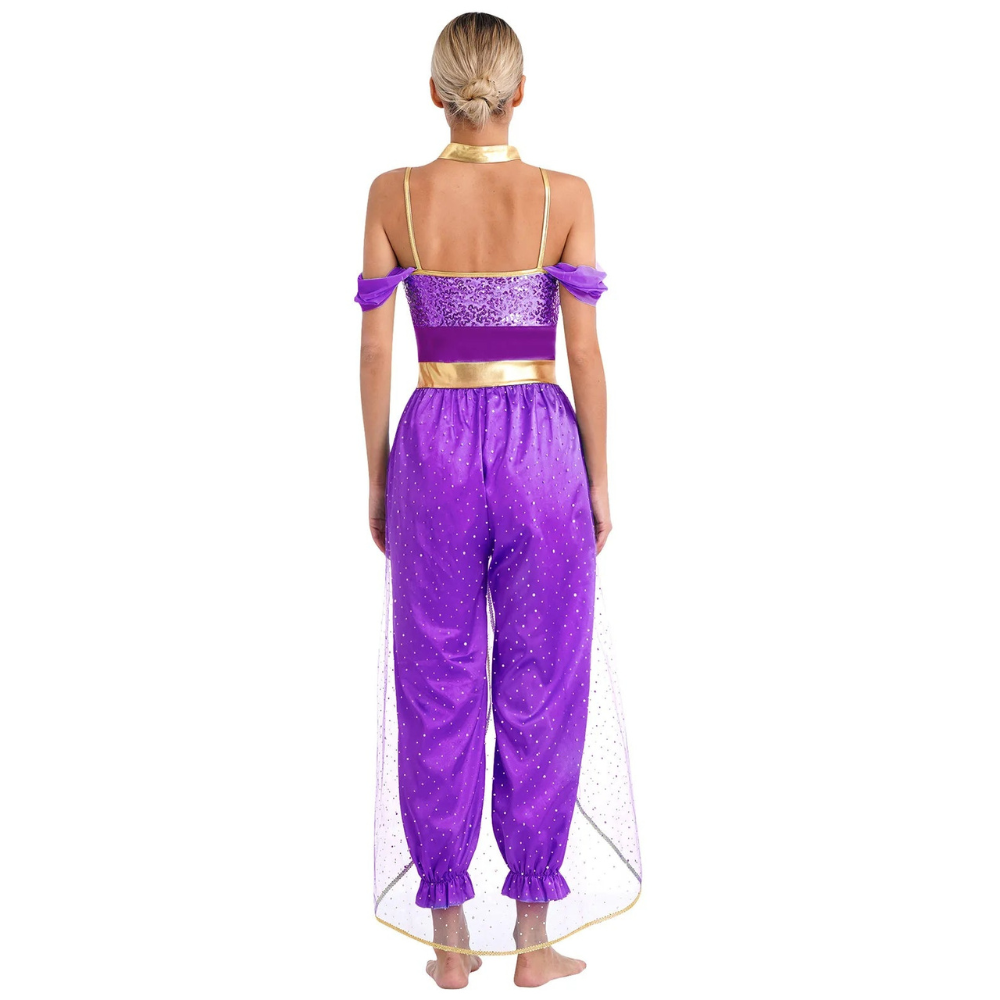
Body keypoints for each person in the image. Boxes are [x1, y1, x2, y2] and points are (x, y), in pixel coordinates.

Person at [356, 12, 642, 990]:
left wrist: (377, 475)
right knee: (542, 678)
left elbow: (375, 349)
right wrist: (598, 477)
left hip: (432, 442)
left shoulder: (393, 193)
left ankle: (447, 937)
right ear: (521, 92)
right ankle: (530, 937)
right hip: (541, 451)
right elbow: (585, 352)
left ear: (434, 93)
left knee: (435, 676)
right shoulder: (565, 193)